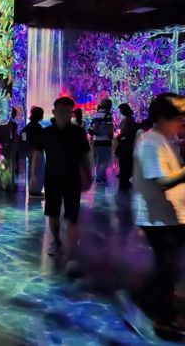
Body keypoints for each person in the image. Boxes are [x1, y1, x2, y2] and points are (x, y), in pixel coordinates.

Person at [128, 93, 185, 336]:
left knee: (167, 267)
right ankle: (159, 315)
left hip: (168, 216)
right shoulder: (151, 142)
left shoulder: (163, 140)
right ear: (162, 117)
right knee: (166, 268)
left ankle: (152, 307)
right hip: (158, 218)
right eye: (178, 117)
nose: (182, 122)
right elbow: (161, 181)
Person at [35, 97, 91, 257]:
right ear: (54, 112)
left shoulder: (78, 132)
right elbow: (38, 154)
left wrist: (88, 175)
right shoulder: (46, 133)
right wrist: (35, 176)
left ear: (71, 114)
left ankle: (72, 250)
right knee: (53, 213)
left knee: (72, 215)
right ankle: (56, 240)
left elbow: (85, 156)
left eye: (67, 112)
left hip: (72, 179)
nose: (63, 115)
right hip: (52, 179)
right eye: (60, 112)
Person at [20, 106, 45, 197]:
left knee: (32, 171)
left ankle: (33, 190)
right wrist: (33, 148)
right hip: (36, 152)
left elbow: (23, 137)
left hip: (32, 152)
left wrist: (28, 148)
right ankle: (34, 190)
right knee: (36, 171)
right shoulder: (37, 127)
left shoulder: (27, 128)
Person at [89, 98, 114, 185]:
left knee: (99, 160)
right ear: (109, 106)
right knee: (105, 160)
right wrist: (111, 135)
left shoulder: (96, 115)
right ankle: (99, 179)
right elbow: (110, 126)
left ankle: (101, 177)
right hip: (105, 139)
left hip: (97, 140)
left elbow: (92, 127)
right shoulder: (108, 114)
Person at [116, 103, 138, 190]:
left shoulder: (127, 120)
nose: (120, 112)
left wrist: (119, 136)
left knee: (124, 162)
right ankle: (126, 177)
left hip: (126, 143)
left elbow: (124, 131)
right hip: (129, 142)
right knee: (127, 162)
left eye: (121, 110)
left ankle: (124, 178)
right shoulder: (131, 119)